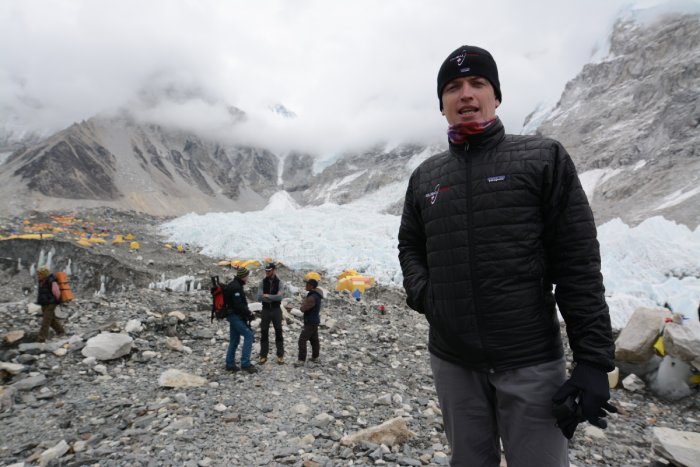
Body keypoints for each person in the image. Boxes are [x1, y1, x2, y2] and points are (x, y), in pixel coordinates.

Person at [398, 45, 616, 466]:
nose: (466, 94)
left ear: (496, 96)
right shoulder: (427, 176)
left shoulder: (542, 158)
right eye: (453, 87)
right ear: (441, 104)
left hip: (530, 360)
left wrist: (593, 361)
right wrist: (427, 296)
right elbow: (410, 243)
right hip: (453, 361)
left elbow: (578, 262)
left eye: (477, 84)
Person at [223, 267, 258, 374]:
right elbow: (238, 305)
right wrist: (249, 314)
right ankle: (245, 364)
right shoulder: (236, 287)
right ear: (244, 276)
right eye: (247, 275)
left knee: (234, 339)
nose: (248, 277)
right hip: (234, 316)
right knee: (249, 335)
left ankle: (230, 364)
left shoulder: (235, 284)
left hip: (233, 315)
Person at [256, 262, 285, 364]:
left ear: (274, 270)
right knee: (264, 332)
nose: (267, 272)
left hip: (276, 310)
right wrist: (273, 297)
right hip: (266, 310)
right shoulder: (262, 282)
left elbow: (280, 297)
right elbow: (259, 297)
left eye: (269, 270)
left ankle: (280, 355)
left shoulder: (280, 282)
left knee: (278, 332)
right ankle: (263, 355)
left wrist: (267, 296)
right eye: (266, 270)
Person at [295, 277, 324, 367]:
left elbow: (302, 309)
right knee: (314, 340)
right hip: (314, 321)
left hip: (310, 322)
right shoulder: (317, 295)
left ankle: (301, 360)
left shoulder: (312, 297)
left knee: (302, 340)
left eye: (307, 284)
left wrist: (303, 304)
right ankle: (315, 357)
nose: (305, 286)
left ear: (311, 286)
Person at [35, 266, 65, 343]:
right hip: (44, 303)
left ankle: (41, 338)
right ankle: (61, 331)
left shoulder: (51, 280)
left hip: (51, 303)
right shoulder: (41, 281)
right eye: (37, 274)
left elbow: (57, 293)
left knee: (46, 321)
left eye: (39, 274)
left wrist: (55, 301)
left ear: (44, 274)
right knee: (51, 319)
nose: (38, 276)